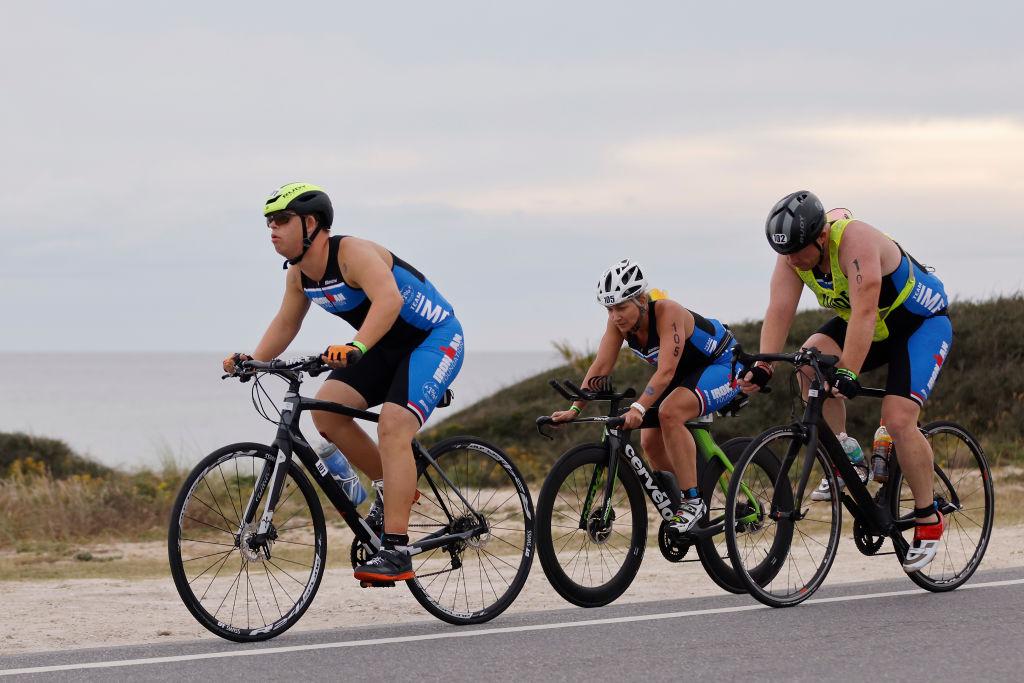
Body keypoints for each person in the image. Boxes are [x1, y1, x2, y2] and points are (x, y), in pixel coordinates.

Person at [222, 182, 464, 582]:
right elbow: (287, 321)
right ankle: (393, 489)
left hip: (434, 339)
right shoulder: (300, 275)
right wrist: (254, 360)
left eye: (282, 220)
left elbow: (390, 301)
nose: (273, 230)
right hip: (382, 347)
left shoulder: (352, 254)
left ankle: (399, 550)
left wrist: (356, 344)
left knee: (393, 425)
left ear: (311, 223)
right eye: (269, 223)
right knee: (328, 414)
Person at [738, 190, 951, 572]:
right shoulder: (791, 258)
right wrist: (764, 364)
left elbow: (865, 310)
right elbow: (779, 309)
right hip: (871, 326)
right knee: (807, 364)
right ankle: (846, 454)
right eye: (783, 252)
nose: (790, 260)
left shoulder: (856, 241)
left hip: (918, 325)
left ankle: (929, 516)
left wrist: (849, 369)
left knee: (899, 419)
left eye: (796, 251)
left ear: (820, 237)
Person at [549, 259, 743, 534]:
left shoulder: (668, 312)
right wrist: (575, 409)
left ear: (641, 299)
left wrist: (639, 407)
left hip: (723, 365)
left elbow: (665, 371)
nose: (615, 315)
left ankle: (693, 501)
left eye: (621, 306)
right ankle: (693, 496)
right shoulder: (617, 325)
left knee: (670, 413)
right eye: (609, 308)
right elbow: (601, 367)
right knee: (650, 442)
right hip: (682, 374)